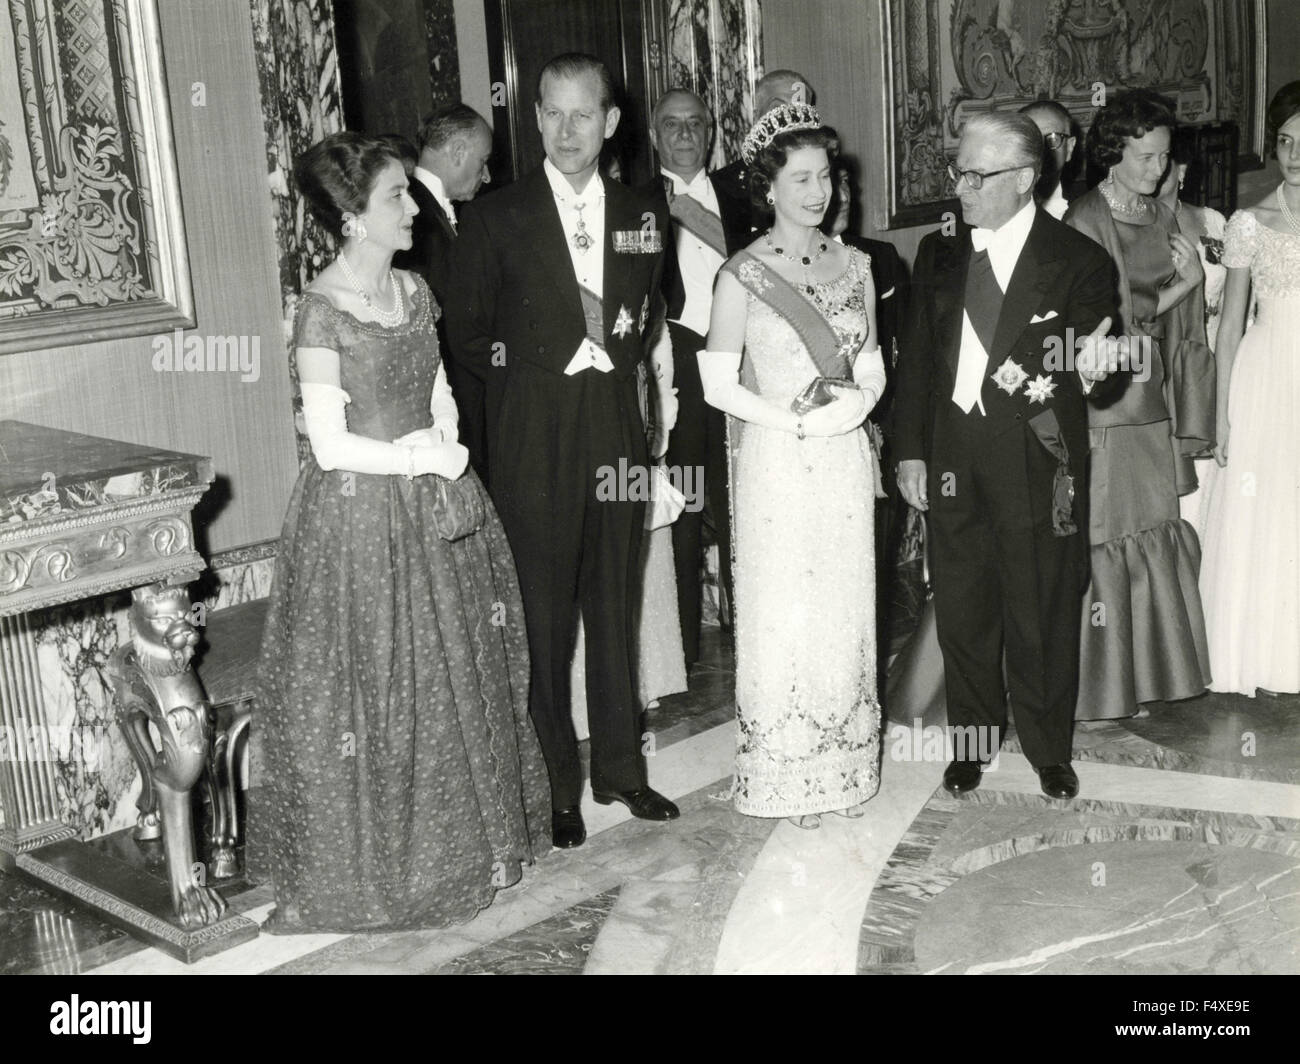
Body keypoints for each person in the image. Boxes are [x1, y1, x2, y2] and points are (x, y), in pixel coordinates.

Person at [257, 132, 550, 932]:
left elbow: (441, 389)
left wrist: (447, 443)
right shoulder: (319, 314)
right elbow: (328, 443)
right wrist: (416, 458)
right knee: (384, 690)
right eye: (395, 196)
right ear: (353, 217)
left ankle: (470, 848)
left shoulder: (416, 293)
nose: (412, 205)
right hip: (358, 518)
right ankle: (385, 873)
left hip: (434, 499)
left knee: (460, 672)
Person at [445, 53, 680, 850]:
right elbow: (469, 340)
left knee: (616, 605)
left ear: (611, 122)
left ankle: (622, 768)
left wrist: (605, 369)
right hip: (532, 441)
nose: (568, 130)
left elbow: (644, 318)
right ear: (535, 117)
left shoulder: (647, 215)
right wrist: (545, 373)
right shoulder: (494, 218)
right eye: (553, 113)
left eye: (585, 114)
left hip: (614, 432)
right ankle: (559, 788)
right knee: (544, 621)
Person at [893, 112, 1119, 801]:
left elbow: (1096, 367)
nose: (960, 186)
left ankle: (1049, 748)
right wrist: (909, 452)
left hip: (1036, 459)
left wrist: (1104, 366)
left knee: (1041, 606)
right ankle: (972, 743)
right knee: (962, 605)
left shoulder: (1076, 261)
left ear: (1024, 179)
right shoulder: (941, 252)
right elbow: (920, 363)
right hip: (954, 453)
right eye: (958, 170)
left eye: (976, 175)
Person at [701, 103, 885, 828]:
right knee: (786, 610)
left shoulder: (859, 266)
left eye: (827, 178)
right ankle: (788, 769)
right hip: (778, 455)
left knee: (843, 604)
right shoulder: (742, 274)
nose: (819, 192)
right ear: (769, 188)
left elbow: (869, 361)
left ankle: (842, 763)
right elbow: (718, 383)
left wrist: (856, 407)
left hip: (840, 453)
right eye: (801, 179)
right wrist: (793, 422)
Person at [1065, 90, 1214, 722]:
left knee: (1152, 531)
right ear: (1112, 151)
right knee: (1109, 536)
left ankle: (1151, 675)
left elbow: (1161, 313)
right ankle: (1102, 685)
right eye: (1146, 157)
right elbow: (1098, 327)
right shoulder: (1085, 218)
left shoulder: (1160, 214)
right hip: (1106, 402)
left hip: (1151, 396)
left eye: (1164, 157)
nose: (1159, 170)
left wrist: (1191, 281)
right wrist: (1176, 290)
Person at [641, 88, 750, 667]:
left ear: (710, 133)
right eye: (671, 125)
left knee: (741, 504)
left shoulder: (743, 195)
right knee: (684, 504)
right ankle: (682, 649)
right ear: (654, 135)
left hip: (740, 362)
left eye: (695, 124)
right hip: (677, 368)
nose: (684, 134)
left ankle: (752, 635)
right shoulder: (635, 201)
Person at [1199, 80, 1300, 697]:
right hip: (1265, 379)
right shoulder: (1250, 222)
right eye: (1286, 141)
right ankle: (1260, 652)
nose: (1294, 155)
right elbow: (1229, 325)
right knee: (1265, 511)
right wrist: (1222, 414)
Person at [393, 104, 494, 483]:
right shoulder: (411, 212)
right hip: (441, 397)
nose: (487, 174)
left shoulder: (453, 212)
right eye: (482, 161)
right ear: (456, 152)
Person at [1156, 127, 1228, 535]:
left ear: (1181, 168)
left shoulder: (1212, 221)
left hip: (1216, 359)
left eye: (1163, 161)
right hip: (1168, 369)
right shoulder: (1129, 228)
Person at [710, 70, 816, 225]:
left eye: (801, 113)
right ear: (756, 115)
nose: (790, 120)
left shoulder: (823, 180)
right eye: (779, 109)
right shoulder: (724, 187)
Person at [1019, 100, 1077, 219]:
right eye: (1030, 139)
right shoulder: (997, 208)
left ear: (1069, 148)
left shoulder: (1085, 209)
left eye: (1052, 138)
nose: (1041, 149)